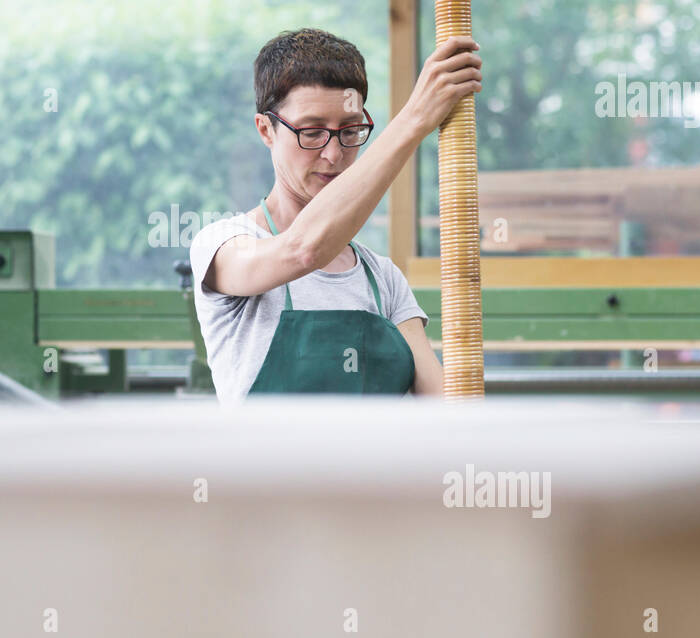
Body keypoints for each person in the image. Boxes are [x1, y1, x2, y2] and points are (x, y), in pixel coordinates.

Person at [189, 27, 482, 403]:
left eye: (350, 130)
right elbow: (303, 252)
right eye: (311, 132)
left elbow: (444, 408)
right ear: (266, 130)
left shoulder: (383, 280)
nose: (333, 154)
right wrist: (413, 120)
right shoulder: (222, 245)